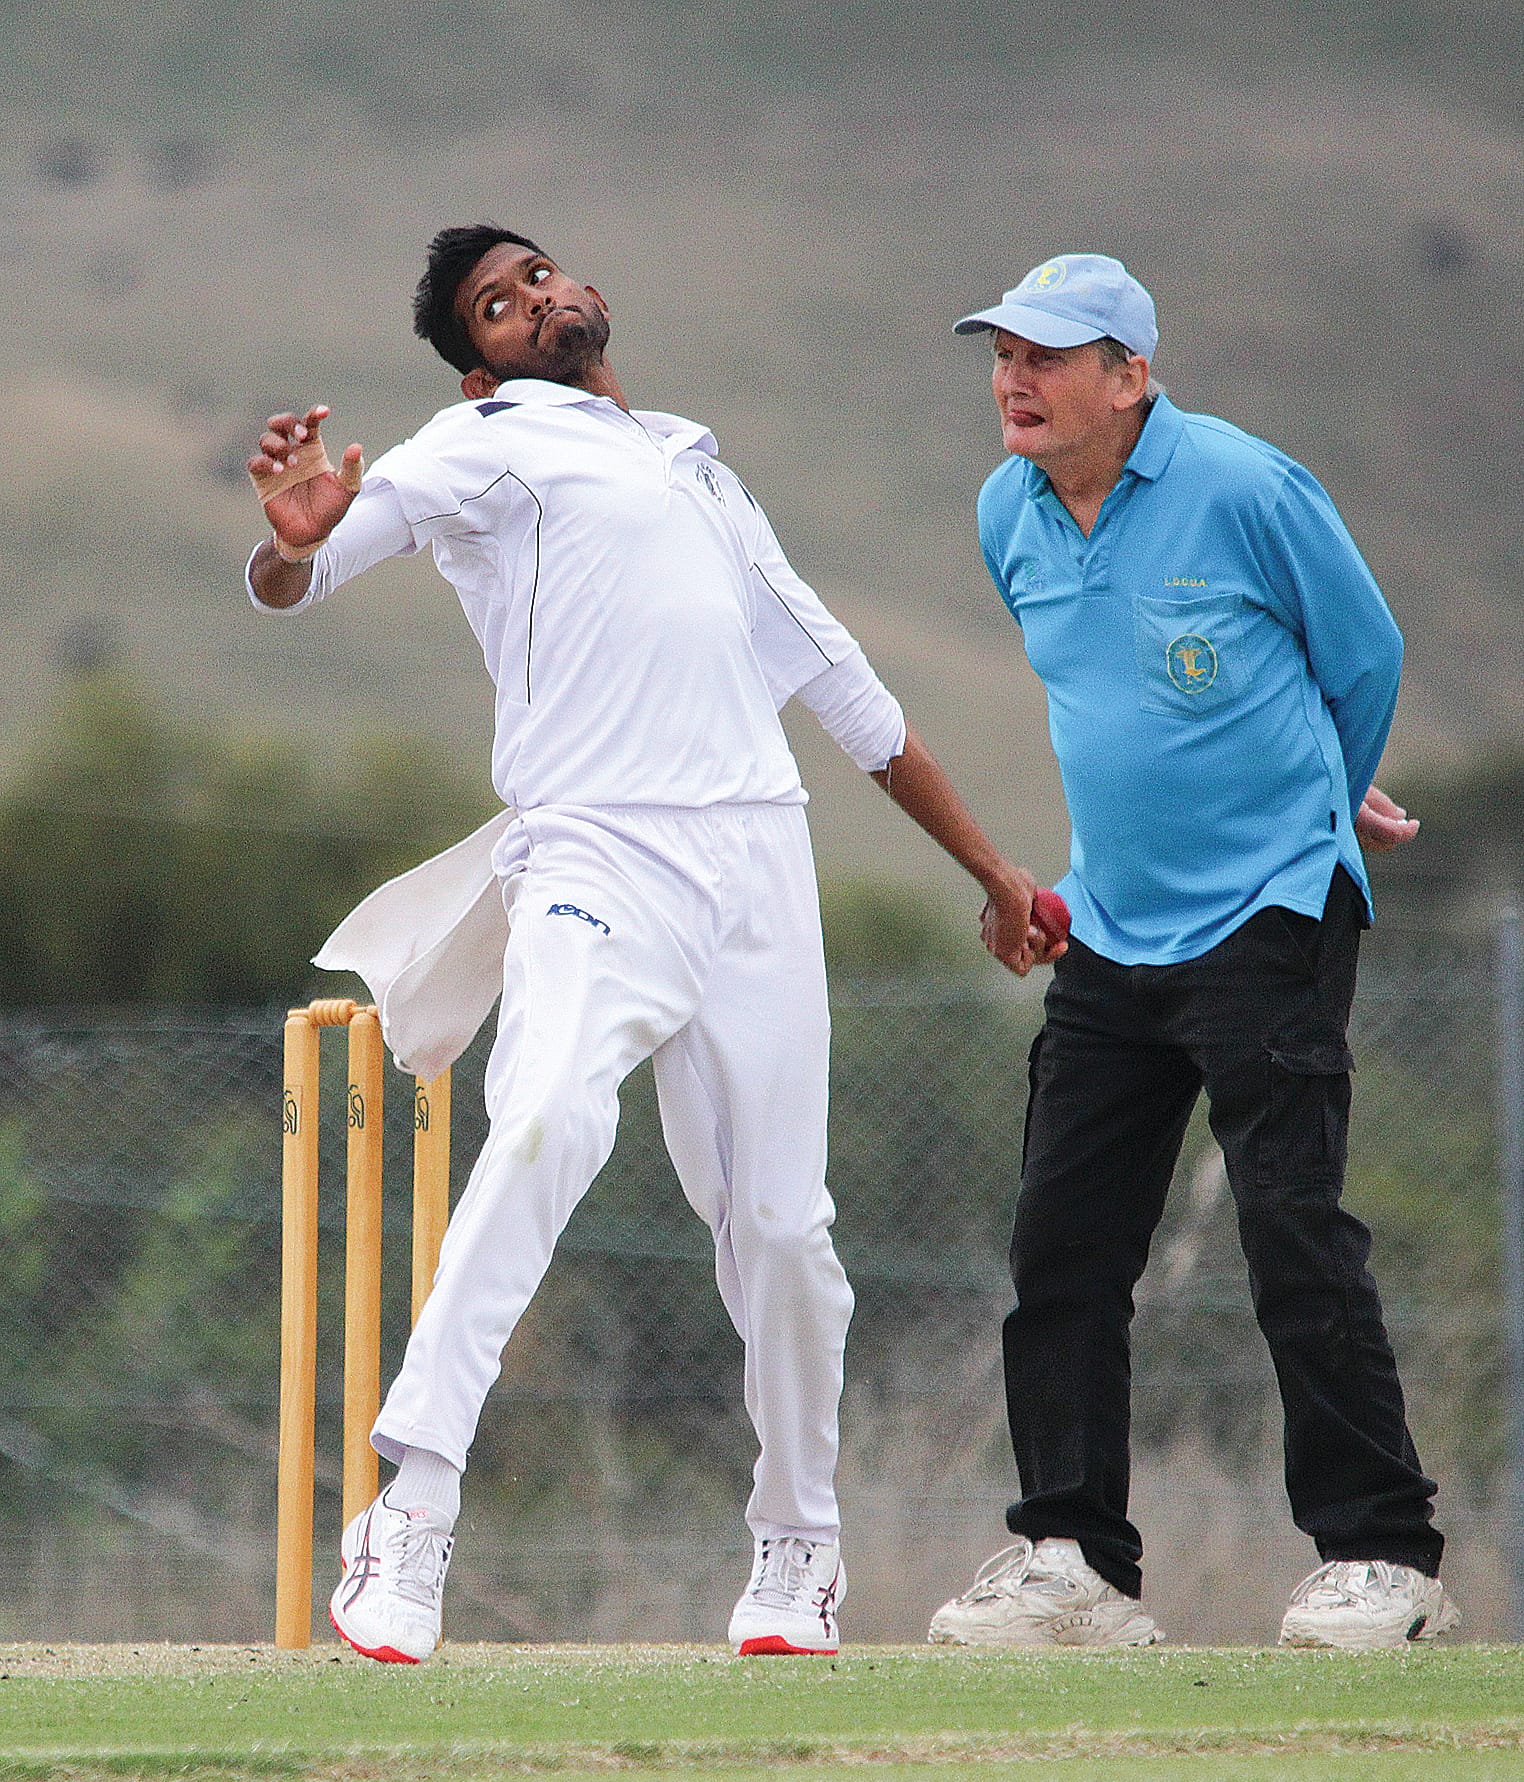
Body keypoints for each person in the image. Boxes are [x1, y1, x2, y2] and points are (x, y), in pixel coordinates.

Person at [245, 225, 1052, 1664]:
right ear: (480, 358)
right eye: (497, 305)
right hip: (595, 853)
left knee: (787, 1235)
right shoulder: (486, 443)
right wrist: (289, 550)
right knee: (548, 1118)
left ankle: (798, 1547)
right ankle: (410, 1509)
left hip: (755, 865)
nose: (533, 300)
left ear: (582, 291)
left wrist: (992, 871)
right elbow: (318, 554)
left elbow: (845, 692)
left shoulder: (697, 470)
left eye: (537, 275)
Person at [928, 254, 1457, 1651]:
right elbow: (1115, 699)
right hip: (1108, 924)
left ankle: (1381, 1559)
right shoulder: (1008, 514)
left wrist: (1320, 804)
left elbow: (1363, 658)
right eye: (1003, 354)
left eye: (1048, 355)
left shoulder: (1243, 487)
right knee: (1062, 1249)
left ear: (1131, 375)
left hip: (1273, 911)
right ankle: (1072, 1567)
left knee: (1292, 1231)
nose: (1015, 380)